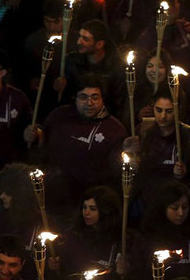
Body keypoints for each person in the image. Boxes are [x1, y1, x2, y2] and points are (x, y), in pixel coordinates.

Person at [24, 74, 128, 203]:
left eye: (95, 98)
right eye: (83, 97)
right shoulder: (59, 116)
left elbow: (117, 172)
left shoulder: (114, 129)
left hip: (89, 200)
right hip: (53, 193)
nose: (89, 103)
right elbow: (41, 142)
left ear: (102, 99)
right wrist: (34, 134)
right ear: (75, 98)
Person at [0, 48, 31, 196]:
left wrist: (32, 133)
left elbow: (29, 127)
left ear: (2, 73)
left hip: (5, 171)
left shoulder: (17, 98)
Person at [64, 19, 127, 117]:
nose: (79, 42)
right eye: (79, 36)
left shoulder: (116, 66)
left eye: (85, 39)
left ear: (99, 44)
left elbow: (119, 100)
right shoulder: (72, 61)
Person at [57, 186, 122, 278]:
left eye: (92, 209)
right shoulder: (74, 236)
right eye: (84, 207)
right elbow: (67, 270)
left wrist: (122, 271)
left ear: (106, 211)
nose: (86, 213)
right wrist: (57, 265)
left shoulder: (119, 239)